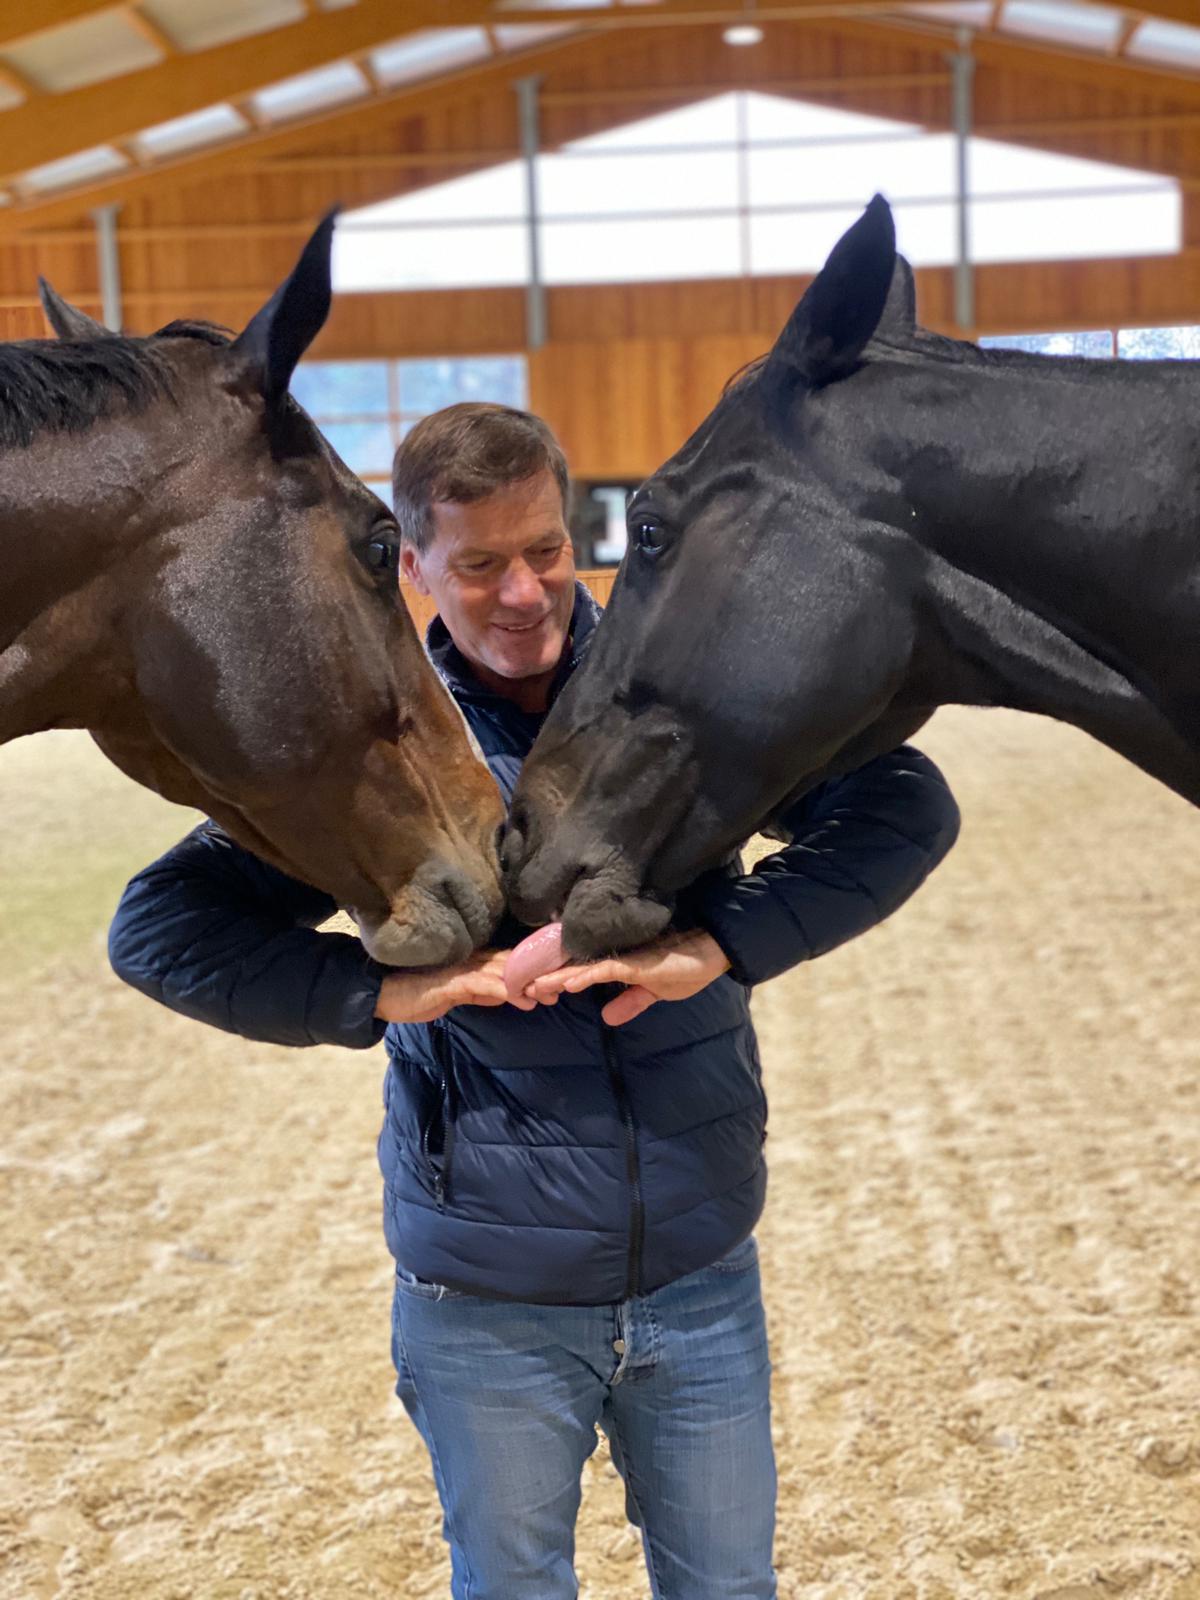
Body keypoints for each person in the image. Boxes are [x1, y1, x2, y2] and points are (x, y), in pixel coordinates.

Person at [109, 401, 961, 1600]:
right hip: (485, 1310)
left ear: (581, 535)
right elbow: (159, 926)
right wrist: (374, 993)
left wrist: (723, 939)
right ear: (410, 566)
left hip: (700, 1278)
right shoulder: (376, 763)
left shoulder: (689, 708)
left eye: (546, 550)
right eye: (480, 563)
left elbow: (904, 804)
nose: (524, 591)